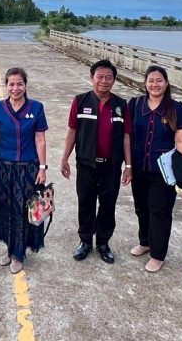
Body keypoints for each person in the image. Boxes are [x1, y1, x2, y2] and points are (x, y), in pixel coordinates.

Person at [60, 59, 129, 264]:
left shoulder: (121, 105)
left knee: (108, 205)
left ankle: (103, 243)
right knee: (85, 203)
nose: (104, 81)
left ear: (114, 80)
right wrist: (64, 158)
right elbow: (72, 131)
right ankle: (85, 241)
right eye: (100, 77)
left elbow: (126, 136)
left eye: (109, 77)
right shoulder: (80, 101)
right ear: (92, 78)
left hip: (111, 166)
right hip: (86, 164)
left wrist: (129, 166)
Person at [123, 65, 182, 273]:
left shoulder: (176, 108)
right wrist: (128, 165)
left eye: (159, 80)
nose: (155, 84)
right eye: (151, 80)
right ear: (145, 83)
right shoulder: (135, 105)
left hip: (164, 172)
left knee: (159, 211)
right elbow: (127, 136)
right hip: (139, 167)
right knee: (141, 208)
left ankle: (158, 254)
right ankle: (145, 242)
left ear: (166, 83)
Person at [0, 67, 48, 275]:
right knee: (5, 209)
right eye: (11, 84)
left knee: (23, 211)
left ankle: (19, 254)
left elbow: (40, 139)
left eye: (19, 84)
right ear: (6, 85)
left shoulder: (36, 108)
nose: (15, 88)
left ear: (25, 85)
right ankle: (10, 247)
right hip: (2, 167)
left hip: (27, 169)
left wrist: (42, 167)